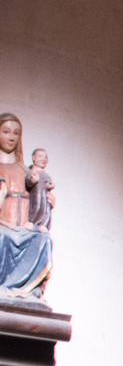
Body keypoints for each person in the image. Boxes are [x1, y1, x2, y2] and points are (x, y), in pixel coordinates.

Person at [0, 112, 53, 297]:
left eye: (16, 133)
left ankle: (26, 291)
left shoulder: (26, 171)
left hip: (24, 230)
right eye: (6, 131)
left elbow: (39, 194)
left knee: (43, 240)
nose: (11, 137)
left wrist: (48, 200)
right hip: (3, 227)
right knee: (1, 238)